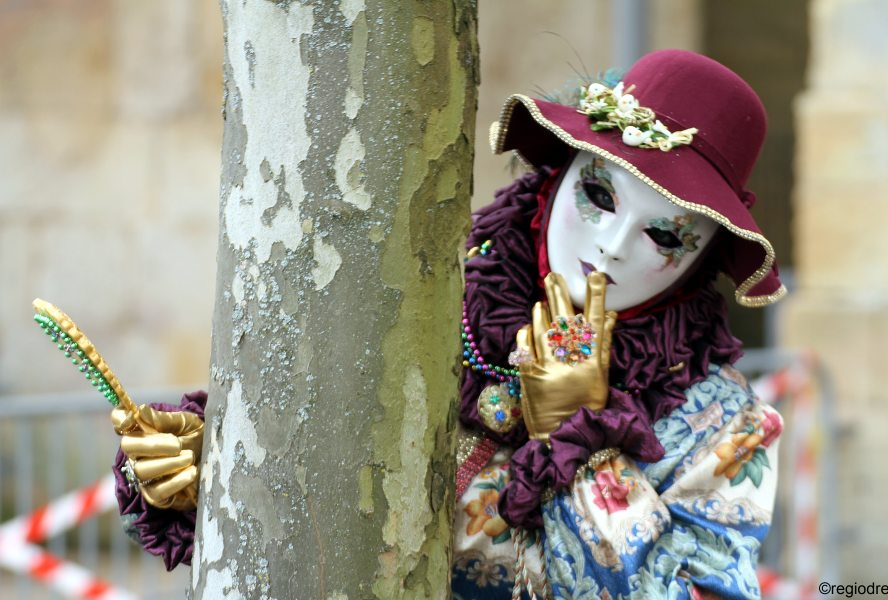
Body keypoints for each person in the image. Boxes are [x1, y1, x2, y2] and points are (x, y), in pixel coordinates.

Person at [112, 50, 786, 599]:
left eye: (664, 234)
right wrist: (221, 464)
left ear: (703, 259)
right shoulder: (421, 296)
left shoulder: (720, 424)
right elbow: (311, 450)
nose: (611, 245)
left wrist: (587, 450)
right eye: (600, 195)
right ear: (557, 176)